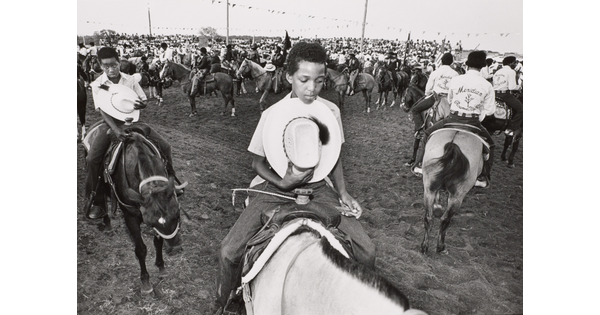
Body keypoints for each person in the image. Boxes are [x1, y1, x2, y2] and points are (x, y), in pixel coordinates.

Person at [214, 41, 376, 314]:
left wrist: (344, 193)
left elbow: (333, 156)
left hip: (318, 189)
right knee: (229, 250)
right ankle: (225, 304)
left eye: (319, 81)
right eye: (304, 80)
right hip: (275, 187)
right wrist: (282, 183)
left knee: (367, 251)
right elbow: (257, 162)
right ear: (289, 77)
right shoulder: (271, 113)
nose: (312, 88)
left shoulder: (331, 112)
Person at [85, 47, 180, 219]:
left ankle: (172, 179)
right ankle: (97, 200)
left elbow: (142, 99)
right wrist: (115, 129)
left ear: (119, 61)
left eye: (114, 64)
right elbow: (102, 110)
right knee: (92, 159)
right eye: (106, 66)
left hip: (133, 121)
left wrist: (142, 105)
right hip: (111, 123)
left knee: (165, 146)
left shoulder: (130, 80)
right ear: (100, 65)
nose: (111, 69)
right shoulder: (98, 84)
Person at [411, 51, 496, 188]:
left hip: (453, 117)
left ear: (467, 65)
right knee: (491, 146)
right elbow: (490, 110)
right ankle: (482, 176)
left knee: (427, 134)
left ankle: (419, 164)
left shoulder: (457, 80)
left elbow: (450, 100)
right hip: (473, 121)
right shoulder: (487, 85)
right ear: (482, 66)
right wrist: (478, 116)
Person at [409, 53, 458, 138]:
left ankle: (420, 130)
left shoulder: (436, 72)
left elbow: (428, 89)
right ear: (451, 62)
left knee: (415, 110)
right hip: (450, 101)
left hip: (436, 97)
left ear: (441, 61)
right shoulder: (455, 74)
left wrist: (427, 94)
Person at [493, 56, 523, 136]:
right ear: (510, 63)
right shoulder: (511, 72)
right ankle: (511, 129)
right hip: (504, 94)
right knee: (521, 109)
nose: (515, 64)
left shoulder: (497, 72)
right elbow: (512, 87)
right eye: (514, 62)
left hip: (494, 93)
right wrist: (519, 87)